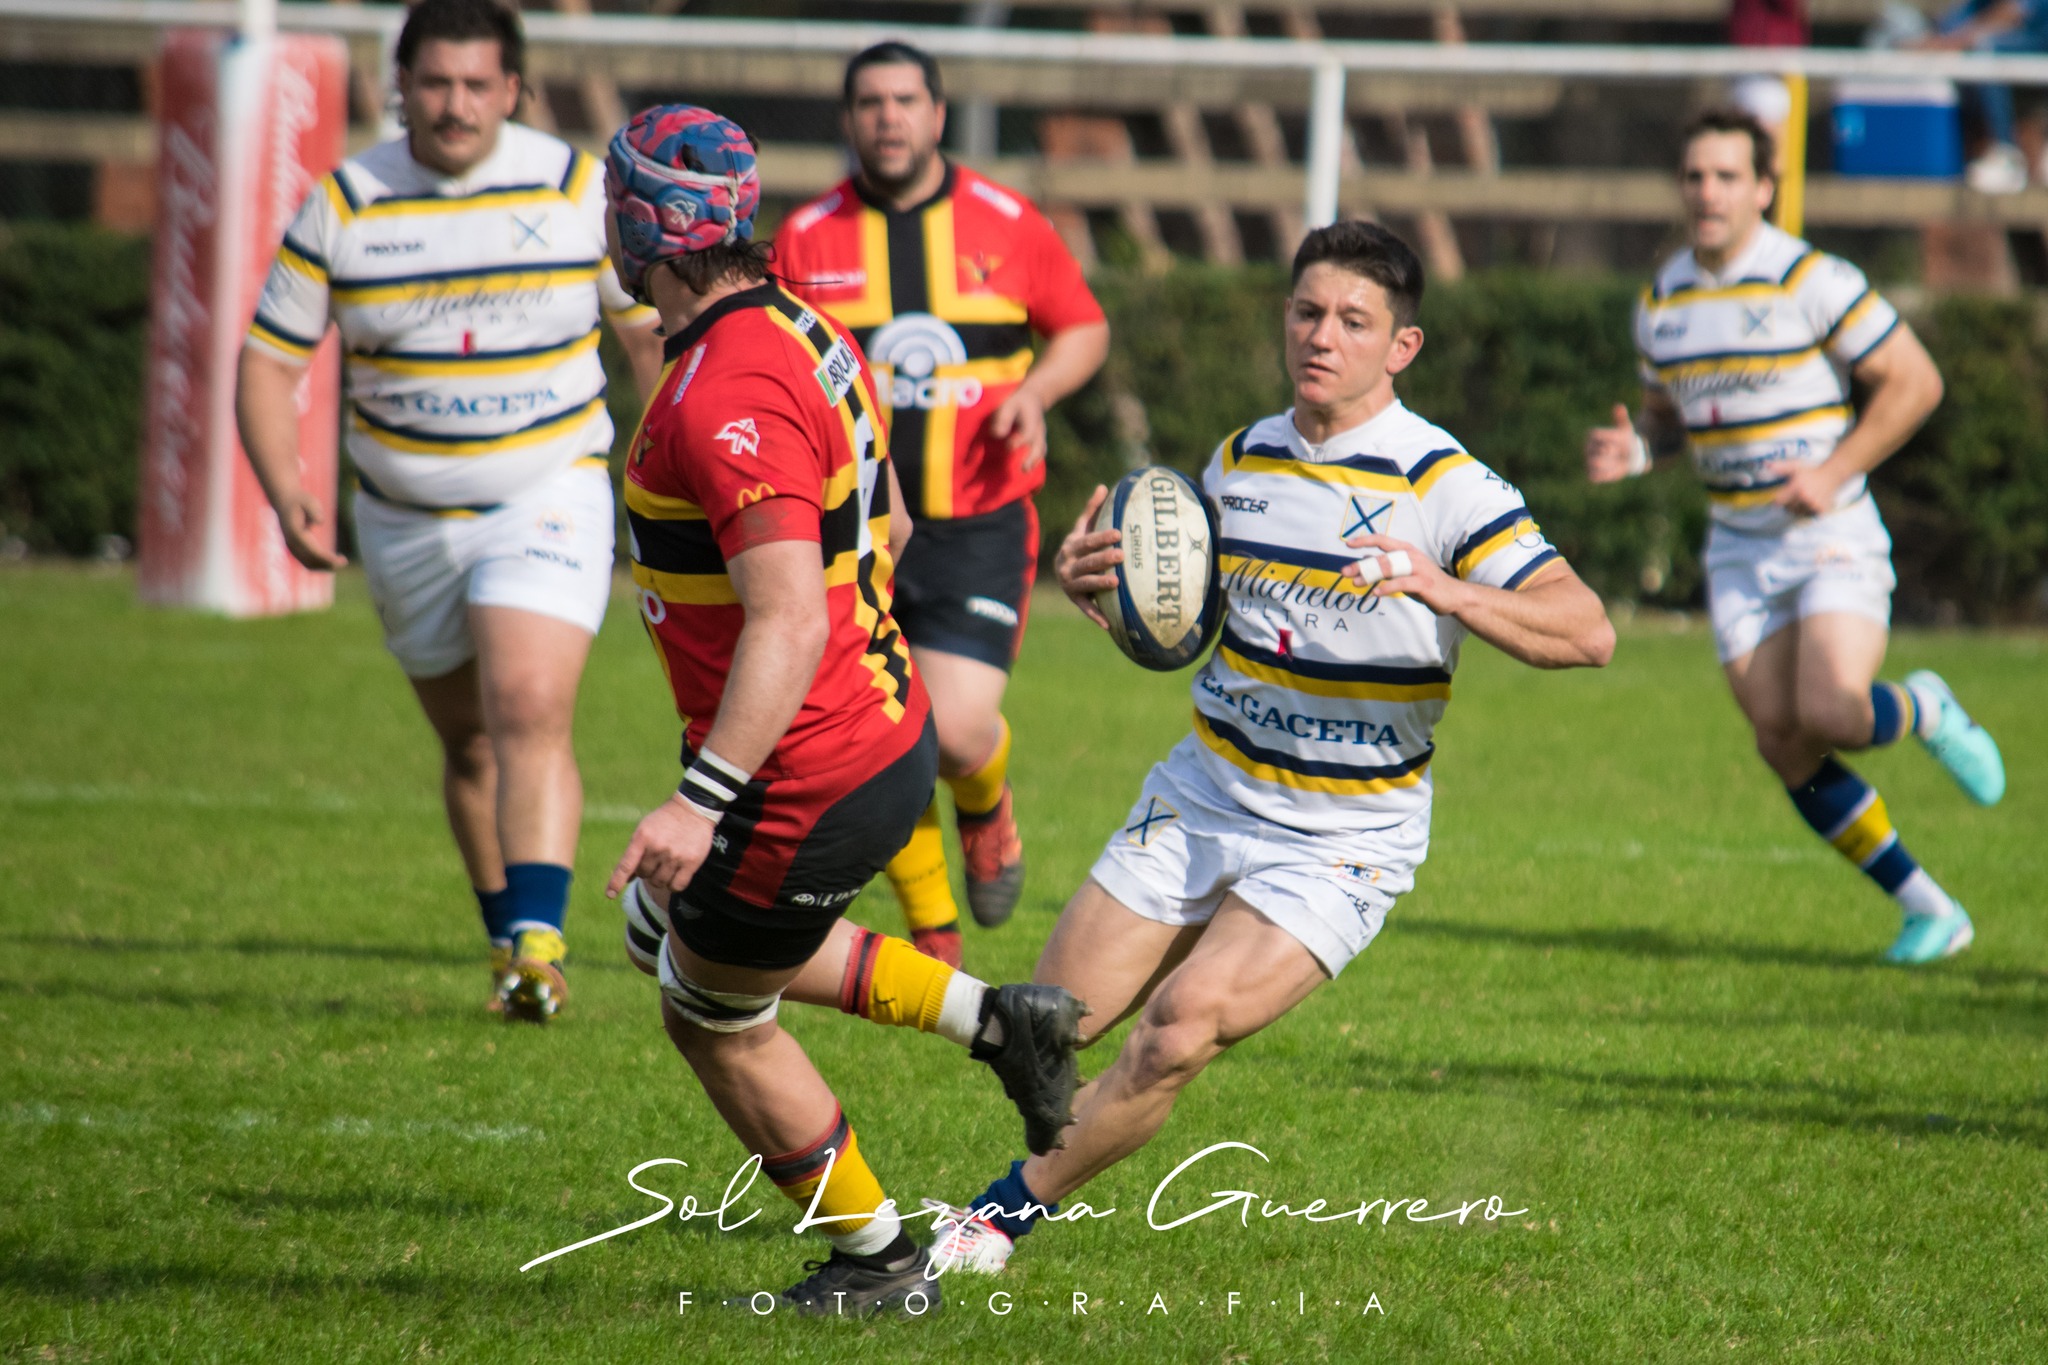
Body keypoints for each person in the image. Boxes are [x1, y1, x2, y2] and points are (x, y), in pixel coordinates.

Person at [921, 221, 1617, 1275]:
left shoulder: (1444, 486)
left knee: (1174, 1032)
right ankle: (1064, 1108)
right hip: (1204, 794)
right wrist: (1100, 600)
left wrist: (1440, 585)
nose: (1320, 337)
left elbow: (1587, 631)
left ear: (1401, 347)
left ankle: (992, 1222)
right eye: (1304, 312)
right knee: (1039, 1034)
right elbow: (1188, 636)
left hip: (1344, 833)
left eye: (1352, 321)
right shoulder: (1237, 462)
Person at [597, 104, 1084, 1315]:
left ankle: (875, 1257)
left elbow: (788, 618)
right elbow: (891, 530)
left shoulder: (724, 388)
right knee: (679, 935)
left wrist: (701, 800)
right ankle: (995, 1020)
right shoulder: (801, 326)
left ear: (642, 224)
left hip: (801, 770)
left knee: (709, 1016)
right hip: (875, 725)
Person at [236, 0, 665, 1022]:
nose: (455, 104)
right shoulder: (346, 201)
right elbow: (267, 361)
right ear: (401, 87)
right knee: (468, 741)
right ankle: (506, 938)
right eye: (435, 83)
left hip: (549, 486)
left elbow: (646, 336)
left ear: (512, 90)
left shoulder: (571, 189)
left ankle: (538, 942)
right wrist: (283, 485)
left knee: (525, 705)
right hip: (403, 517)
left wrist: (660, 465)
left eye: (477, 85)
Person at [1584, 109, 2003, 965]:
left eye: (1728, 176)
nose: (1708, 191)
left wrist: (1833, 469)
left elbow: (1915, 383)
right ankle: (1930, 909)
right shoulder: (1662, 299)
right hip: (1739, 547)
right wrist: (1636, 449)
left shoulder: (1811, 277)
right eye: (1696, 175)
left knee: (1834, 711)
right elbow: (1672, 422)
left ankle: (1923, 703)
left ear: (1764, 188)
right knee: (1780, 736)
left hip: (1828, 534)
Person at [773, 41, 1111, 967]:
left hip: (979, 516)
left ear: (939, 113)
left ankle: (987, 804)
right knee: (879, 733)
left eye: (906, 100)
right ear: (849, 120)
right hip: (856, 526)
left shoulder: (1006, 220)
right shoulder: (806, 236)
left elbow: (1084, 326)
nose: (889, 117)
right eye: (871, 102)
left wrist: (1034, 394)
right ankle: (934, 930)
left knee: (956, 730)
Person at [1905, 0, 2048, 193]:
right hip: (1988, 93)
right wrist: (1932, 42)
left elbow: (2014, 14)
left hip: (2034, 54)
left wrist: (1953, 42)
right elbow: (1952, 22)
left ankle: (2005, 150)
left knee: (1985, 48)